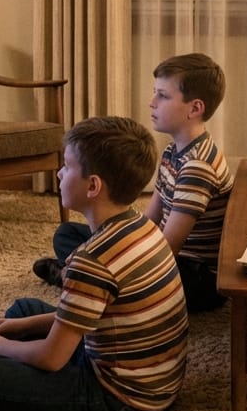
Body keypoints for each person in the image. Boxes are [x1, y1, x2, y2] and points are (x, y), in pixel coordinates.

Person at [0, 115, 189, 411]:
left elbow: (52, 358)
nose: (59, 173)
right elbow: (92, 316)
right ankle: (21, 391)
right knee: (24, 311)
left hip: (118, 400)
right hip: (155, 378)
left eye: (67, 167)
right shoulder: (142, 224)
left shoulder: (92, 260)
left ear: (93, 186)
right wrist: (20, 326)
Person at [31, 53, 234, 313]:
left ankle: (78, 278)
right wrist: (119, 242)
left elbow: (168, 247)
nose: (152, 103)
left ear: (194, 109)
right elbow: (151, 217)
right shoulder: (175, 151)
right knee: (67, 234)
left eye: (162, 95)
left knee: (104, 254)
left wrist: (119, 252)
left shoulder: (198, 166)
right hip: (170, 257)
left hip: (195, 276)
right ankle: (81, 274)